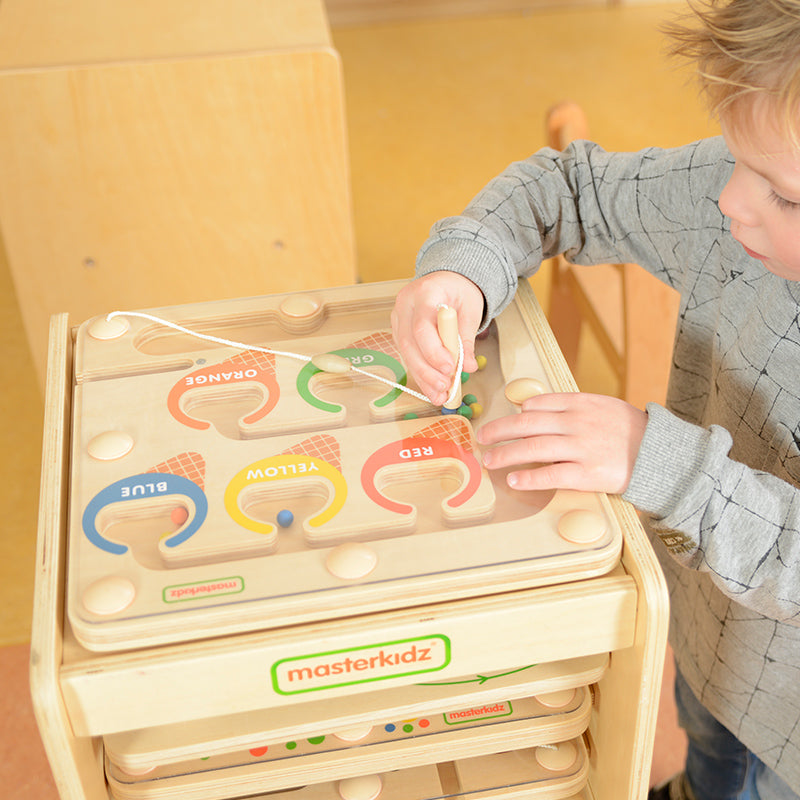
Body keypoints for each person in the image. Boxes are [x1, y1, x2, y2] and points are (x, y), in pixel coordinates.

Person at [390, 1, 800, 799]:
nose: (730, 202)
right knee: (710, 764)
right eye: (735, 159)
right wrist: (459, 275)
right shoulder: (732, 195)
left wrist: (662, 463)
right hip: (712, 640)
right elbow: (567, 187)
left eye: (784, 195)